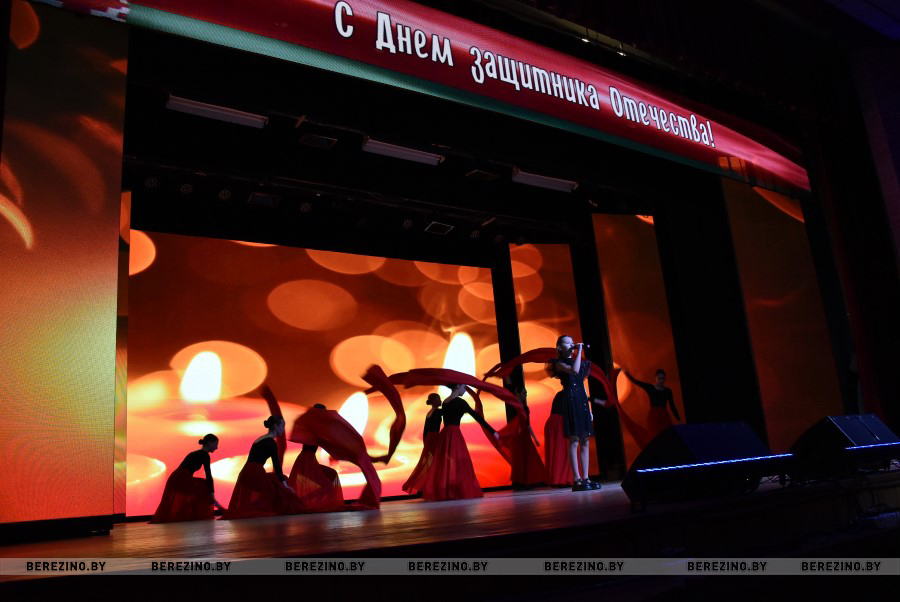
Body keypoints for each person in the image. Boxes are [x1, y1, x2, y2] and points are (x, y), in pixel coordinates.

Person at [421, 384, 501, 501]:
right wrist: (493, 432)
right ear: (458, 386)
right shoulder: (460, 402)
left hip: (445, 435)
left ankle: (444, 491)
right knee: (460, 463)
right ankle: (459, 490)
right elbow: (477, 417)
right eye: (464, 387)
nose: (465, 390)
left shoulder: (445, 402)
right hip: (454, 435)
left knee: (446, 465)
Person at [546, 335, 600, 491]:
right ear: (559, 347)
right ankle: (576, 479)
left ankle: (586, 477)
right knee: (574, 439)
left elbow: (582, 385)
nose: (571, 344)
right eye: (567, 342)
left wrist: (589, 409)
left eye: (572, 342)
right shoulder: (559, 363)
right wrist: (580, 350)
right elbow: (574, 370)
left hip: (581, 399)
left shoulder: (580, 363)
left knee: (585, 439)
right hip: (570, 399)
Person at [223, 415, 304, 519]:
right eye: (282, 426)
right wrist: (285, 486)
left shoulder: (261, 438)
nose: (283, 429)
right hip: (255, 472)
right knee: (279, 485)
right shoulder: (271, 443)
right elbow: (276, 465)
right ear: (275, 426)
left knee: (274, 482)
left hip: (246, 472)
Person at [150, 434, 223, 523]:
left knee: (203, 486)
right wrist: (212, 494)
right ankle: (189, 513)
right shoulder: (204, 455)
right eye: (215, 444)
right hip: (180, 478)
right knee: (204, 487)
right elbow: (208, 475)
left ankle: (186, 512)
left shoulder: (196, 453)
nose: (216, 447)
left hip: (178, 477)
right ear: (209, 443)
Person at [288, 404, 345, 512]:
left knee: (331, 476)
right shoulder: (313, 430)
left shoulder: (316, 429)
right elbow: (326, 444)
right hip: (306, 461)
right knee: (328, 481)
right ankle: (312, 504)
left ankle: (311, 502)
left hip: (308, 460)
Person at [504, 387, 546, 488]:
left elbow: (528, 424)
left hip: (525, 435)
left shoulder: (526, 408)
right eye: (523, 393)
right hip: (517, 435)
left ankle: (531, 480)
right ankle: (519, 482)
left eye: (525, 393)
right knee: (519, 458)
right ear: (517, 393)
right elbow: (512, 422)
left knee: (530, 457)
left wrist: (535, 438)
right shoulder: (513, 406)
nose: (525, 395)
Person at [402, 393, 443, 495]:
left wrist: (425, 442)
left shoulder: (429, 413)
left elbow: (425, 430)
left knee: (431, 463)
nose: (441, 401)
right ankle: (429, 486)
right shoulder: (438, 412)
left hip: (429, 438)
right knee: (436, 463)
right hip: (434, 438)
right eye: (439, 399)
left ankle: (427, 486)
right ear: (434, 401)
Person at [624, 369, 681, 439]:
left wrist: (678, 419)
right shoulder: (650, 388)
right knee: (655, 435)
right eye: (659, 378)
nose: (661, 380)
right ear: (655, 378)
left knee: (666, 436)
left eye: (663, 378)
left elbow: (672, 406)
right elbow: (637, 382)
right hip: (654, 415)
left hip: (664, 416)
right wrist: (626, 373)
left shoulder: (668, 391)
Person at [543, 391, 574, 486]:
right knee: (565, 451)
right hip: (560, 422)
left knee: (555, 451)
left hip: (551, 422)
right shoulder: (568, 394)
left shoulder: (560, 394)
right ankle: (563, 479)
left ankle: (556, 478)